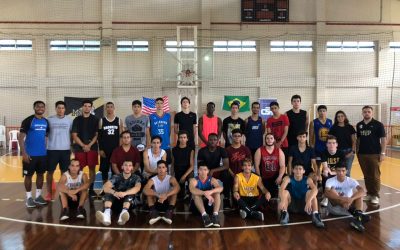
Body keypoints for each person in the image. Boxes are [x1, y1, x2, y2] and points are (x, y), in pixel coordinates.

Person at [19, 101, 50, 208]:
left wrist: (45, 150)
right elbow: (21, 138)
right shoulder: (28, 120)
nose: (40, 108)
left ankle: (38, 196)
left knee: (40, 175)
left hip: (42, 154)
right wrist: (24, 153)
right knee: (28, 176)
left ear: (44, 108)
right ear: (34, 108)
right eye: (38, 106)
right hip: (30, 154)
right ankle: (28, 198)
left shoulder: (46, 121)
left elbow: (46, 137)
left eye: (42, 107)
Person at [325, 163, 371, 232]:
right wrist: (342, 198)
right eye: (338, 171)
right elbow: (326, 193)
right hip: (335, 208)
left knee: (359, 195)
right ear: (335, 171)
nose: (341, 173)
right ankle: (359, 216)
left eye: (343, 171)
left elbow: (363, 191)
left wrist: (351, 199)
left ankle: (358, 219)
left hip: (349, 207)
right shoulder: (330, 180)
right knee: (332, 190)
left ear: (347, 171)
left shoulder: (351, 180)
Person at [278, 162, 325, 228]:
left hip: (304, 206)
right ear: (293, 170)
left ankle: (315, 215)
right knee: (285, 192)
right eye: (296, 169)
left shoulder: (308, 179)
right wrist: (282, 200)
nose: (298, 171)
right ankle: (285, 214)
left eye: (300, 169)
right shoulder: (288, 178)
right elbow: (281, 189)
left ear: (303, 171)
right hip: (292, 205)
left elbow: (315, 190)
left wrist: (309, 201)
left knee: (311, 192)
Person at [96, 161, 141, 226]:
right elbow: (105, 187)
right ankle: (107, 215)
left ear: (132, 168)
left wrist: (124, 193)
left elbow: (137, 188)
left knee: (130, 191)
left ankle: (123, 214)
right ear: (122, 167)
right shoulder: (116, 177)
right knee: (109, 191)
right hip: (115, 203)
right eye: (125, 165)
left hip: (130, 204)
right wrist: (114, 193)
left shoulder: (136, 177)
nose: (127, 167)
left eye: (129, 165)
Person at [356, 105, 386, 205]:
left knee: (375, 176)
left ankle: (375, 195)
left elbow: (383, 139)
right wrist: (357, 151)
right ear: (362, 113)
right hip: (362, 154)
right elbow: (358, 139)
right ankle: (369, 193)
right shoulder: (359, 125)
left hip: (374, 154)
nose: (367, 113)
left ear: (372, 113)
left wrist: (383, 153)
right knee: (366, 175)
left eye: (368, 111)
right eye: (365, 112)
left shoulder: (378, 124)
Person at [71, 100, 99, 197]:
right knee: (79, 170)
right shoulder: (76, 120)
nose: (87, 107)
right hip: (79, 148)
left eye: (89, 106)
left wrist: (89, 145)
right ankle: (80, 188)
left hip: (92, 147)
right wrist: (83, 146)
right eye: (85, 106)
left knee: (92, 169)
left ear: (91, 108)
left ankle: (91, 189)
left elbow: (96, 135)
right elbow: (74, 135)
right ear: (82, 107)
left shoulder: (95, 119)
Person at [46, 101, 72, 201]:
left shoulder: (69, 120)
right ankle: (49, 192)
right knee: (50, 172)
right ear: (56, 109)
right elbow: (46, 134)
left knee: (64, 173)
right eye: (59, 108)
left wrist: (71, 148)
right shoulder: (50, 120)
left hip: (65, 150)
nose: (60, 110)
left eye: (62, 108)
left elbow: (72, 135)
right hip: (52, 150)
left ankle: (62, 191)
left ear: (65, 109)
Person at [197, 133, 230, 208]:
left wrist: (212, 171)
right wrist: (207, 172)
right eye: (211, 140)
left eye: (215, 140)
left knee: (226, 174)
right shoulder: (202, 151)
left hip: (216, 171)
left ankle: (226, 198)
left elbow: (226, 165)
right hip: (205, 171)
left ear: (217, 141)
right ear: (208, 140)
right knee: (201, 175)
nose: (212, 141)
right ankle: (203, 196)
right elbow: (199, 166)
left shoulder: (221, 150)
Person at [143, 160, 180, 225]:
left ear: (166, 169)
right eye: (159, 167)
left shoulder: (171, 178)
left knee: (174, 192)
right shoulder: (152, 179)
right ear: (157, 169)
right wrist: (158, 195)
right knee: (149, 192)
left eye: (163, 167)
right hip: (157, 202)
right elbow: (144, 190)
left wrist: (166, 195)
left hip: (167, 202)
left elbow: (178, 188)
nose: (161, 169)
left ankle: (169, 213)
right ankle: (154, 213)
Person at [189, 163, 223, 227]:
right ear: (198, 171)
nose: (203, 172)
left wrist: (210, 192)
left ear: (208, 171)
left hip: (208, 205)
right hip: (196, 207)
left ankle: (215, 215)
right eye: (201, 170)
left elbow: (220, 188)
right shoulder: (194, 180)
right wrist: (205, 193)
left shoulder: (212, 179)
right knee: (196, 194)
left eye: (205, 170)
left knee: (217, 193)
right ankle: (204, 216)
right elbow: (192, 190)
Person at [98, 102, 124, 183]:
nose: (109, 108)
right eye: (108, 107)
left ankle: (113, 187)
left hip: (115, 149)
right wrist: (101, 149)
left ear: (114, 108)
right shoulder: (102, 120)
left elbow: (121, 136)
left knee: (115, 169)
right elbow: (99, 136)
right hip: (105, 150)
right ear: (106, 109)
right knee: (104, 170)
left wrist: (120, 149)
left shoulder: (119, 120)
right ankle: (105, 188)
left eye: (111, 107)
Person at [254, 133, 285, 198]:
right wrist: (259, 177)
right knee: (265, 196)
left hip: (275, 177)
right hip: (264, 177)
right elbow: (256, 166)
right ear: (265, 140)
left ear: (274, 140)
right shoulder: (259, 150)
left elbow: (282, 166)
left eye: (271, 138)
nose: (269, 140)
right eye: (267, 138)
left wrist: (280, 176)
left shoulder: (279, 151)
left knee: (275, 195)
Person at [328, 110, 356, 177]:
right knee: (337, 171)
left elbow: (354, 141)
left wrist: (352, 152)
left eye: (342, 116)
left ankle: (347, 187)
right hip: (338, 152)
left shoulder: (350, 127)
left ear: (345, 117)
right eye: (338, 117)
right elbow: (330, 140)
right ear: (336, 118)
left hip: (349, 152)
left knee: (347, 172)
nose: (340, 118)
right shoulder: (333, 128)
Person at [320, 135, 346, 206]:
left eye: (333, 143)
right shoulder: (324, 152)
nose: (331, 145)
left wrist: (333, 172)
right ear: (326, 144)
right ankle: (326, 197)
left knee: (342, 174)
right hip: (329, 172)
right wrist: (330, 172)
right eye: (329, 143)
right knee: (325, 173)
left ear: (337, 144)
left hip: (338, 172)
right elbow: (325, 167)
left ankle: (339, 193)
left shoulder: (341, 153)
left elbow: (343, 168)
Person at [172, 130, 194, 200]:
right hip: (178, 171)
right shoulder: (174, 150)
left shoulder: (191, 150)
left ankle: (190, 194)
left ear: (187, 139)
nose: (183, 139)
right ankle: (184, 192)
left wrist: (184, 176)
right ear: (178, 138)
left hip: (188, 171)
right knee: (180, 196)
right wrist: (171, 175)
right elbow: (173, 163)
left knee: (191, 181)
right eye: (181, 137)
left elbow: (192, 166)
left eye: (184, 137)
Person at [148, 97, 172, 163]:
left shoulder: (168, 116)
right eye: (157, 103)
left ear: (163, 104)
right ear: (155, 104)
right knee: (155, 163)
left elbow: (169, 129)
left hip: (165, 143)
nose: (159, 105)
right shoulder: (151, 116)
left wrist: (168, 139)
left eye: (161, 103)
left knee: (167, 163)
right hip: (155, 143)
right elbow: (149, 130)